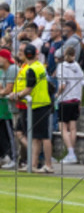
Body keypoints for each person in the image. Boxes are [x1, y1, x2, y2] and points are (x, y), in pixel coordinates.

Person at [12, 45, 53, 173]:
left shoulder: (31, 69)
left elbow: (28, 89)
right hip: (40, 103)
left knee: (44, 136)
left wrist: (17, 95)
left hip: (38, 104)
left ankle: (48, 165)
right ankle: (33, 164)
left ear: (25, 55)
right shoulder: (39, 66)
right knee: (36, 137)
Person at [55, 47, 84, 165]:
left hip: (65, 100)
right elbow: (83, 82)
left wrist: (57, 95)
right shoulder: (77, 66)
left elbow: (62, 85)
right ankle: (71, 154)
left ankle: (71, 152)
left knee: (62, 127)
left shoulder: (62, 67)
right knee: (73, 127)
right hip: (76, 99)